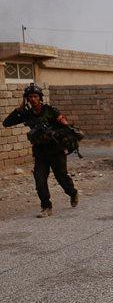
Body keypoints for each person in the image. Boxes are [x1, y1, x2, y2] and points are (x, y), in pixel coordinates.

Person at [3, 82, 79, 218]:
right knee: (39, 181)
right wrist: (19, 110)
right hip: (40, 153)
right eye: (30, 97)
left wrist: (54, 133)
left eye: (35, 96)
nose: (33, 99)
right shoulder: (27, 114)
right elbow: (6, 123)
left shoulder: (51, 110)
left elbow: (66, 128)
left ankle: (72, 193)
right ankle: (46, 206)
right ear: (27, 99)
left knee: (61, 178)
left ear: (40, 97)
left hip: (56, 151)